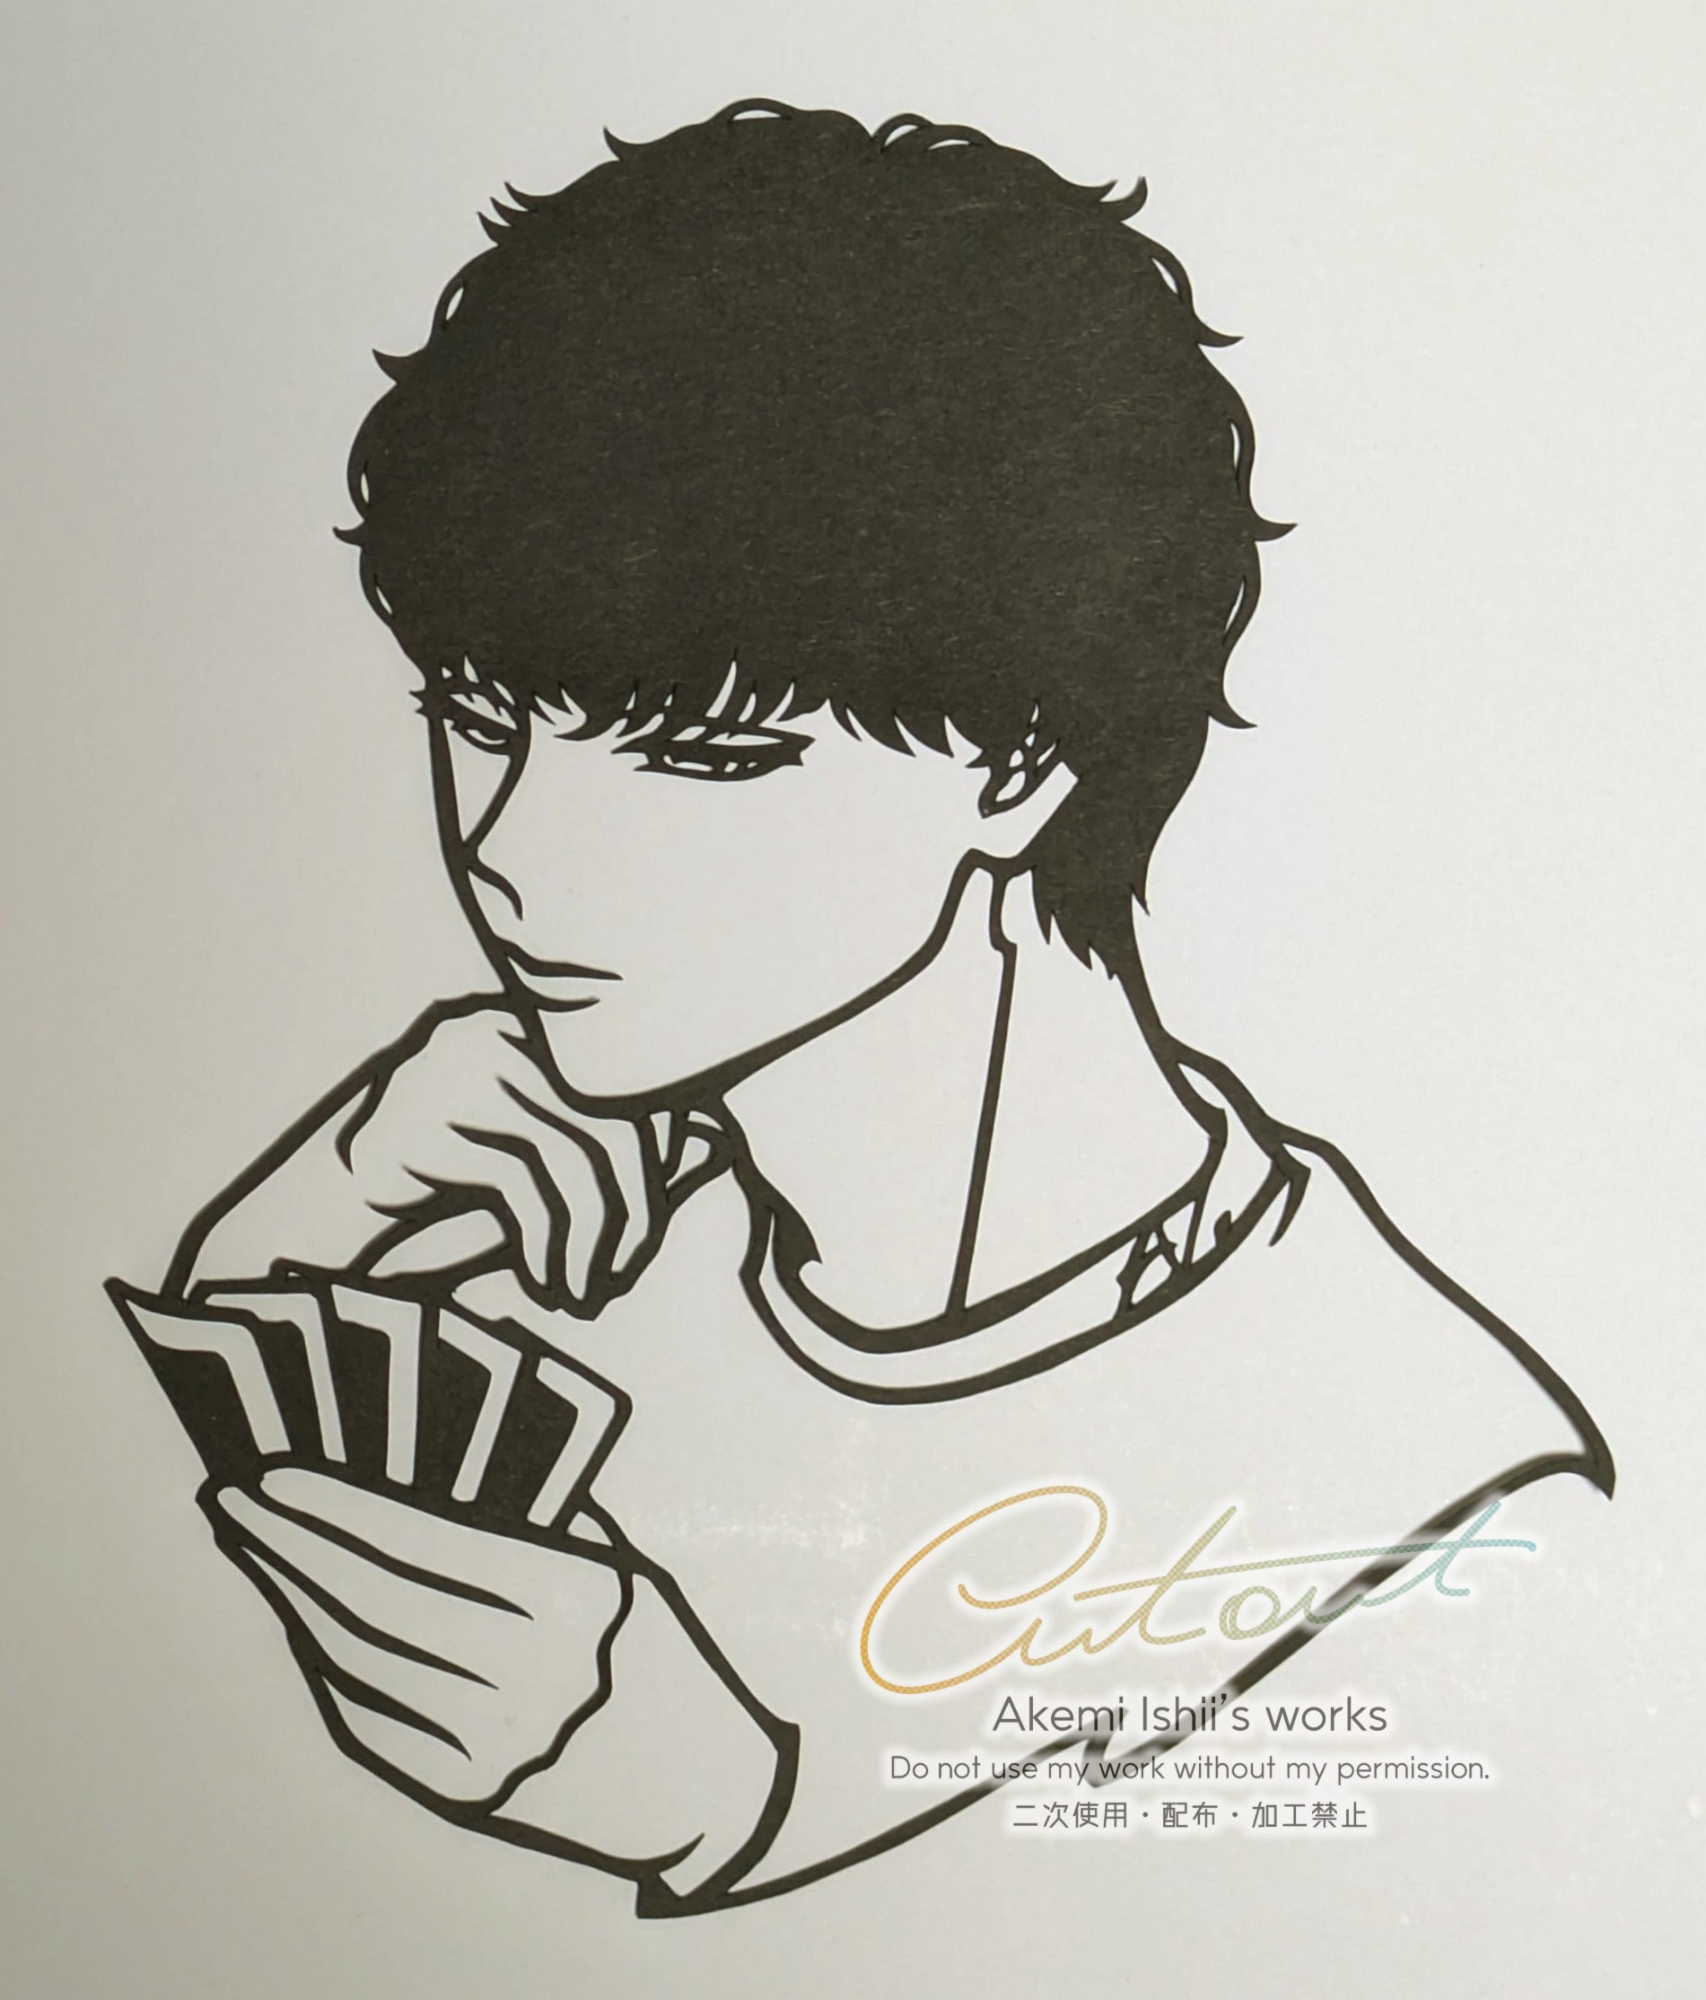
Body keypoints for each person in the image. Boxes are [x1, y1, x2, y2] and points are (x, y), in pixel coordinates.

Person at [111, 101, 1611, 1917]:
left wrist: (716, 1812)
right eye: (477, 722)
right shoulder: (491, 1254)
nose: (508, 855)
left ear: (1022, 763)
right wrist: (262, 1272)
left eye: (698, 757)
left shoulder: (1431, 1482)